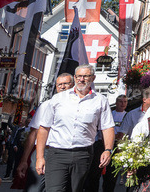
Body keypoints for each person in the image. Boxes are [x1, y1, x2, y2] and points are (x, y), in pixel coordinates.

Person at [35, 64, 115, 192]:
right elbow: (44, 128)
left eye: (86, 76)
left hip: (83, 154)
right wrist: (39, 157)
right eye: (79, 76)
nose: (81, 79)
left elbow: (107, 127)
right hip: (57, 154)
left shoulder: (100, 100)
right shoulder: (58, 99)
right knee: (54, 190)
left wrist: (108, 150)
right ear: (74, 77)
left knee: (75, 189)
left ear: (93, 78)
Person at [16, 74, 75, 190]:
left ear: (73, 85)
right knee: (35, 188)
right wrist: (24, 160)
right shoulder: (46, 105)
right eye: (59, 84)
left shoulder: (79, 107)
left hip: (67, 153)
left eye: (66, 84)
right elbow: (33, 133)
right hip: (45, 151)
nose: (62, 87)